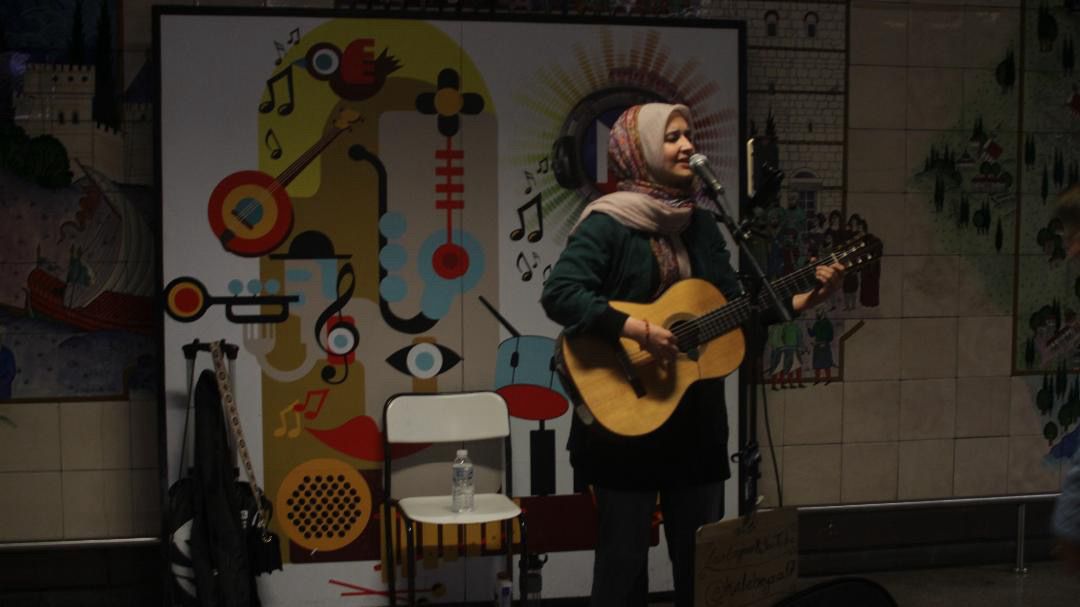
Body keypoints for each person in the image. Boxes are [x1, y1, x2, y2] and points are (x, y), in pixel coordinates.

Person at [540, 103, 843, 607]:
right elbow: (561, 294)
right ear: (638, 151)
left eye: (689, 135)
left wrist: (800, 301)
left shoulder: (701, 224)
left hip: (695, 426)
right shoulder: (608, 224)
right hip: (625, 422)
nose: (687, 147)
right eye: (672, 137)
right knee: (621, 571)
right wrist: (637, 330)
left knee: (705, 573)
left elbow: (732, 307)